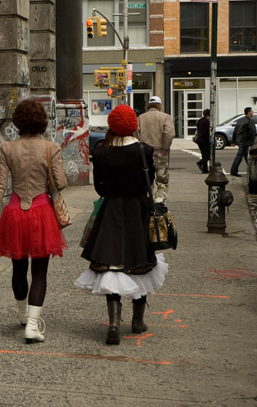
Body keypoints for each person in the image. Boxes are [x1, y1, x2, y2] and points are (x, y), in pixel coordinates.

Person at [75, 105, 169, 345]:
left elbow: (100, 188)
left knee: (113, 265)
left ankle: (114, 323)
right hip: (139, 210)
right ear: (133, 126)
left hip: (112, 211)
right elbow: (154, 180)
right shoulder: (144, 150)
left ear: (112, 125)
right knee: (141, 263)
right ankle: (137, 322)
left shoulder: (102, 151)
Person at [0, 99, 68, 344]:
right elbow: (60, 183)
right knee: (40, 272)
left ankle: (22, 315)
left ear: (18, 122)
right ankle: (32, 325)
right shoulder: (52, 148)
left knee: (18, 268)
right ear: (42, 122)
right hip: (41, 212)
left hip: (15, 212)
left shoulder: (7, 148)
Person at [137, 96, 175, 204]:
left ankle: (147, 199)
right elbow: (169, 134)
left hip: (145, 153)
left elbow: (135, 132)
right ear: (159, 105)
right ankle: (159, 200)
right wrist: (165, 148)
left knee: (147, 178)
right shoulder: (166, 117)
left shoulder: (141, 117)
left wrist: (140, 145)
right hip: (160, 153)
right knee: (162, 179)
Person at [230, 107, 256, 177]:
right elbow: (252, 131)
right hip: (245, 141)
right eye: (252, 111)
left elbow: (235, 131)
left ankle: (250, 170)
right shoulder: (250, 121)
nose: (253, 112)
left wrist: (233, 141)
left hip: (239, 140)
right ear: (249, 112)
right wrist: (252, 141)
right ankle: (233, 170)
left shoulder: (240, 120)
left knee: (246, 156)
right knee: (239, 156)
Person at [195, 109, 211, 173]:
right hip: (204, 140)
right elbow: (206, 132)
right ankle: (200, 162)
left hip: (199, 139)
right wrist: (208, 138)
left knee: (203, 154)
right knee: (207, 155)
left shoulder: (200, 121)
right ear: (207, 115)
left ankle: (205, 169)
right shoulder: (206, 122)